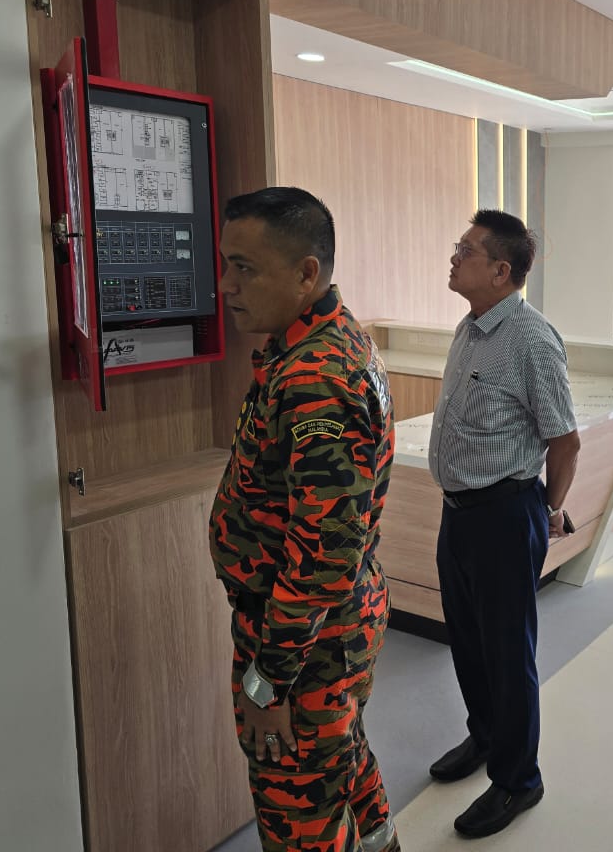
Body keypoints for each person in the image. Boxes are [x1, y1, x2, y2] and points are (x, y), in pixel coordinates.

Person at [209, 187, 399, 852]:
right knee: (341, 763)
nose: (226, 285)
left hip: (305, 643)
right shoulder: (320, 343)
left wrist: (270, 681)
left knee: (301, 813)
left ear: (306, 273)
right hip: (327, 627)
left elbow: (320, 557)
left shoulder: (315, 378)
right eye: (226, 264)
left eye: (244, 268)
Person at [427, 209, 581, 838]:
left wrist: (547, 510)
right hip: (458, 513)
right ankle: (486, 735)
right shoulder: (470, 328)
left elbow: (565, 441)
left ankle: (519, 779)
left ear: (500, 270)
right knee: (466, 639)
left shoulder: (531, 340)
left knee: (508, 652)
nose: (454, 256)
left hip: (505, 515)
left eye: (465, 250)